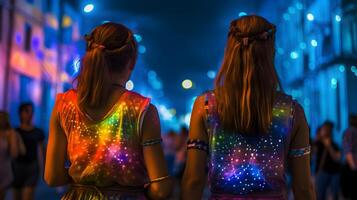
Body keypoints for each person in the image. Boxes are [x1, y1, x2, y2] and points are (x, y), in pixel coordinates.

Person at [181, 15, 315, 200]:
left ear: (229, 53)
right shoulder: (292, 111)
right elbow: (303, 188)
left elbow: (193, 181)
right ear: (271, 53)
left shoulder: (204, 106)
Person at [44, 22, 172, 199]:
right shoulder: (142, 110)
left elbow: (52, 177)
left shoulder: (64, 104)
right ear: (131, 62)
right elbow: (161, 188)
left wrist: (86, 175)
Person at [12, 103, 45, 200]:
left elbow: (43, 151)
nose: (29, 114)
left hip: (32, 168)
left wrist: (44, 169)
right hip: (17, 168)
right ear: (20, 113)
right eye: (26, 111)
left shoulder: (38, 132)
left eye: (31, 111)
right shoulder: (15, 131)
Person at [0, 111, 25, 200]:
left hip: (4, 170)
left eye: (3, 118)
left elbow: (15, 154)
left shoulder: (10, 134)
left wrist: (13, 137)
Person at [313, 121, 341, 200]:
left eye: (327, 129)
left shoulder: (335, 144)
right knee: (320, 195)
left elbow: (337, 158)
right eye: (324, 129)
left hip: (335, 172)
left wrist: (329, 147)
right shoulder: (317, 143)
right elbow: (312, 155)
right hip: (322, 172)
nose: (325, 131)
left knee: (334, 195)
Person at [341, 115, 357, 199]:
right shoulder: (351, 132)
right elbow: (348, 150)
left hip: (351, 166)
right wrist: (353, 167)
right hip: (351, 167)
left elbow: (348, 150)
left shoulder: (350, 131)